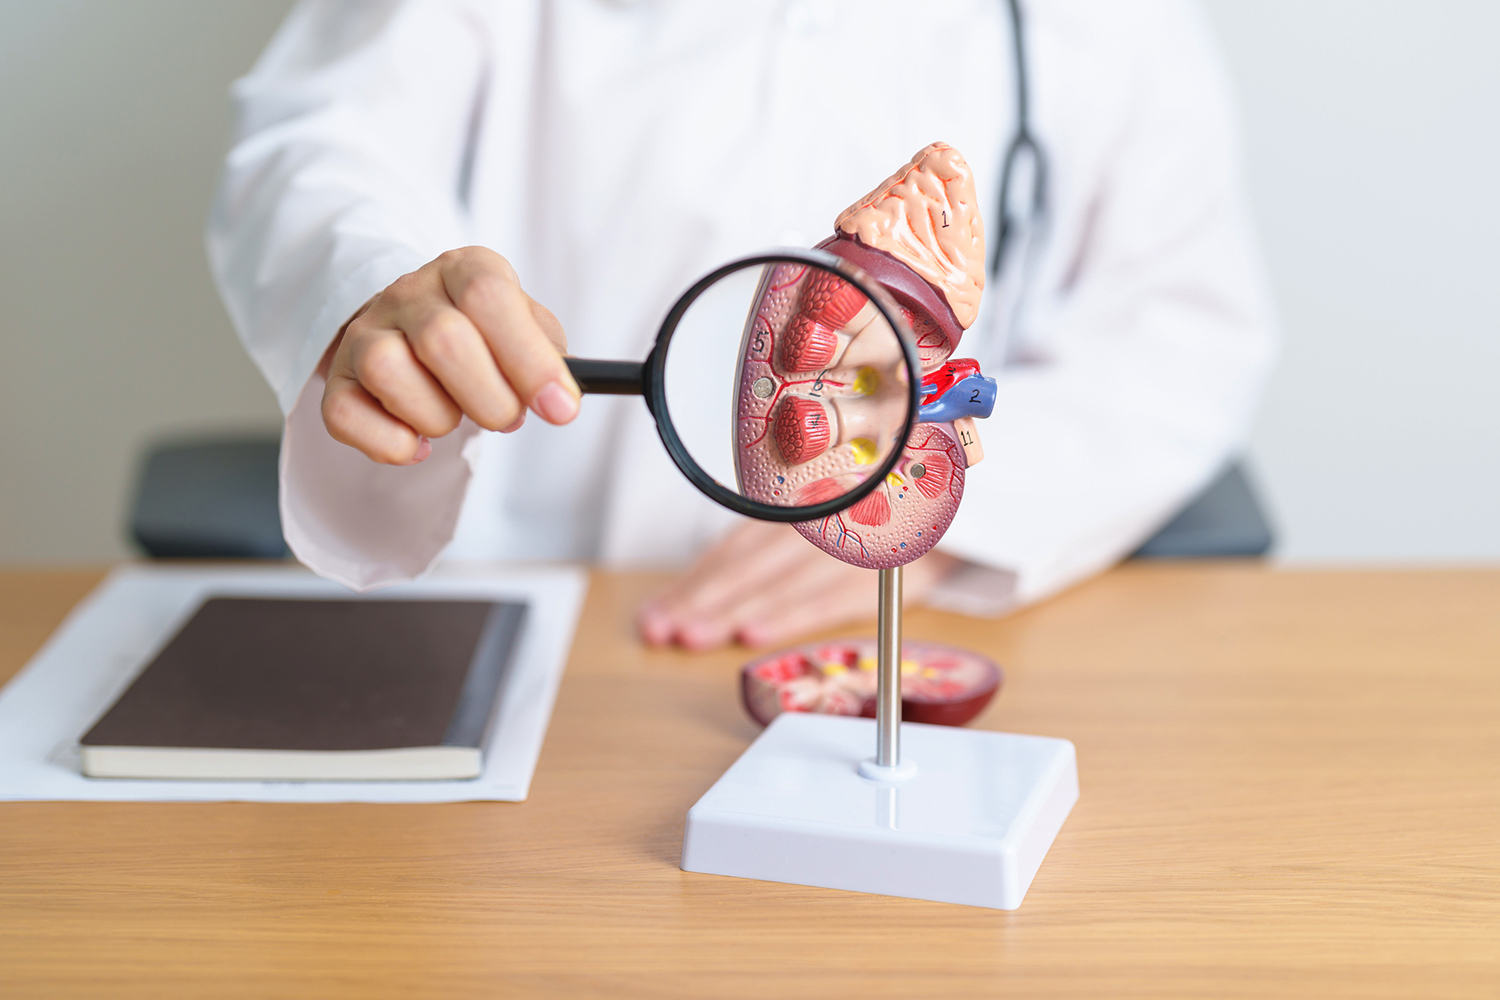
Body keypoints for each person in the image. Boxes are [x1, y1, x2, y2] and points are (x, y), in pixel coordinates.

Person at [209, 0, 1276, 650]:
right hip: (541, 622)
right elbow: (326, 144)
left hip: (906, 628)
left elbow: (1183, 327)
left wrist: (939, 508)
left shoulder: (1112, 22)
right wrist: (376, 283)